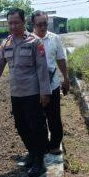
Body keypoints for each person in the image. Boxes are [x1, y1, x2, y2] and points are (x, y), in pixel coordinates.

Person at [0, 8, 52, 177]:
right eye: (10, 23)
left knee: (36, 127)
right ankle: (32, 153)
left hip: (33, 93)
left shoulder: (34, 42)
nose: (13, 26)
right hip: (16, 94)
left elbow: (42, 69)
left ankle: (39, 162)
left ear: (24, 22)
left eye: (16, 22)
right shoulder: (6, 44)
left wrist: (45, 92)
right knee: (21, 126)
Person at [31, 10, 70, 156]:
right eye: (39, 24)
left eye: (45, 24)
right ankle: (41, 146)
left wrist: (66, 78)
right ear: (33, 25)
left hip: (52, 84)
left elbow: (60, 59)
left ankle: (54, 144)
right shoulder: (28, 40)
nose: (42, 27)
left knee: (54, 116)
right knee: (38, 118)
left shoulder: (54, 39)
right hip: (35, 87)